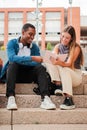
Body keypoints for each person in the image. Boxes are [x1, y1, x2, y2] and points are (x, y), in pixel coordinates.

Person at [0, 23, 56, 110]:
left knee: (40, 68)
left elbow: (37, 64)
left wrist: (21, 60)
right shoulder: (12, 43)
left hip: (29, 75)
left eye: (34, 35)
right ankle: (11, 98)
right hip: (14, 75)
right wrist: (31, 58)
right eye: (30, 34)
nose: (32, 37)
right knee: (12, 64)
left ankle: (45, 98)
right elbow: (12, 58)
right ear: (23, 32)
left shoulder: (35, 47)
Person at [44, 25, 84, 110]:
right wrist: (54, 58)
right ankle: (58, 85)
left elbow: (69, 64)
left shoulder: (76, 48)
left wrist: (58, 62)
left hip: (74, 75)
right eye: (62, 36)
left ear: (72, 39)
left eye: (67, 38)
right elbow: (53, 56)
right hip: (62, 76)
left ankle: (69, 100)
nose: (64, 39)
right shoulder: (58, 46)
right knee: (49, 61)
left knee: (65, 69)